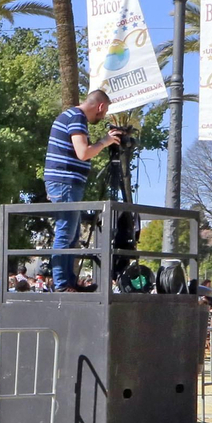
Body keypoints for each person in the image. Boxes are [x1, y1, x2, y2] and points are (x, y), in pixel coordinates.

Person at [46, 89, 123, 293]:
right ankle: (62, 284)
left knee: (71, 235)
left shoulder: (71, 116)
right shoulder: (77, 117)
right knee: (65, 233)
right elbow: (83, 153)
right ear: (100, 106)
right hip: (66, 183)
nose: (104, 115)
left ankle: (69, 282)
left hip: (66, 183)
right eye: (105, 111)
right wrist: (104, 142)